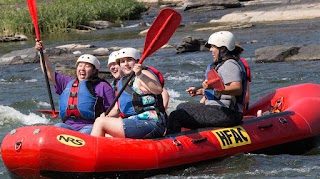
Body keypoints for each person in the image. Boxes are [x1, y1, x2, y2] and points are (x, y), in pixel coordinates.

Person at [166, 31, 246, 134]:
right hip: (218, 109)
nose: (210, 50)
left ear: (223, 48)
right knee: (182, 107)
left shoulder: (229, 65)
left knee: (176, 116)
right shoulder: (220, 64)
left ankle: (172, 143)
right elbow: (220, 91)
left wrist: (214, 87)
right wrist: (202, 91)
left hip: (228, 113)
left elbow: (237, 89)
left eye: (213, 47)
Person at [35, 41, 115, 134]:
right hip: (68, 125)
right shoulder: (67, 82)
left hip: (90, 126)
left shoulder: (102, 86)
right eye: (80, 65)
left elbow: (112, 111)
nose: (82, 69)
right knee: (57, 128)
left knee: (85, 133)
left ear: (94, 71)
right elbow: (48, 72)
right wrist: (42, 52)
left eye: (87, 66)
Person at [91, 47, 166, 138]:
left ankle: (89, 151)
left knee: (100, 123)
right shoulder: (121, 82)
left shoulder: (143, 73)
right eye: (122, 61)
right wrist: (105, 115)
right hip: (134, 121)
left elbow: (158, 89)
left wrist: (140, 74)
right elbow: (117, 109)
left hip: (151, 122)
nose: (126, 64)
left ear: (137, 61)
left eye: (129, 60)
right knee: (104, 128)